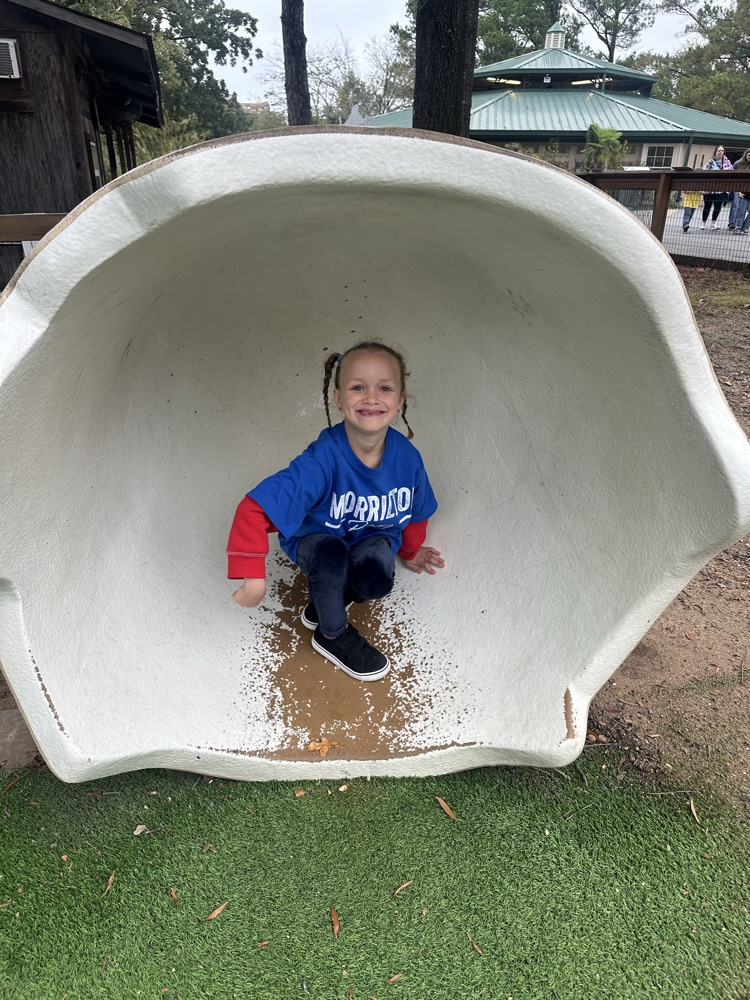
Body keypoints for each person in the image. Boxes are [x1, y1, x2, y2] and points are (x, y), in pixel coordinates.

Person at [227, 342, 445, 682]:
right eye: (358, 387)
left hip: (370, 537)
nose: (371, 398)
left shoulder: (408, 458)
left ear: (400, 399)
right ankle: (330, 634)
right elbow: (254, 509)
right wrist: (252, 577)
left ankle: (327, 599)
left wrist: (411, 550)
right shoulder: (322, 458)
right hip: (317, 540)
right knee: (330, 556)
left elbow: (418, 511)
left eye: (384, 388)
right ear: (339, 398)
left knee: (377, 576)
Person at [701, 144, 733, 229]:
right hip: (710, 188)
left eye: (722, 151)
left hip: (721, 188)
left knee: (718, 206)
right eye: (719, 150)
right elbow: (704, 170)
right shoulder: (711, 161)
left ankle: (713, 223)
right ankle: (703, 222)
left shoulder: (727, 162)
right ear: (715, 152)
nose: (720, 152)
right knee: (707, 206)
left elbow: (731, 172)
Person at [728, 149, 750, 234]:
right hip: (742, 190)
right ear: (746, 155)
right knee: (741, 210)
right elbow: (733, 176)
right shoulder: (739, 163)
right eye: (749, 155)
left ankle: (746, 226)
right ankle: (738, 227)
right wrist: (738, 191)